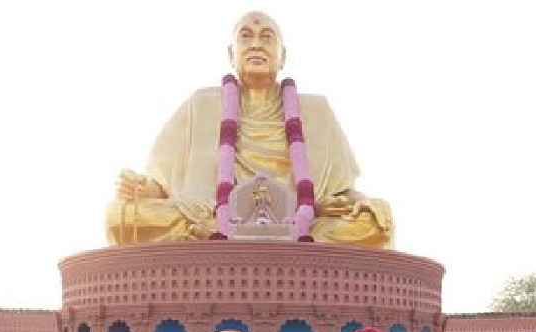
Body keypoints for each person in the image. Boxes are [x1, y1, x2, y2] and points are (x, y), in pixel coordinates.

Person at [107, 12, 392, 248]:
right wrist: (147, 189)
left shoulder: (316, 110)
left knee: (375, 223)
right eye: (246, 37)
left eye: (267, 38)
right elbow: (163, 186)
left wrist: (365, 204)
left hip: (301, 221)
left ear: (282, 56)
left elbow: (342, 192)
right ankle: (241, 237)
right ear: (232, 54)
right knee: (119, 216)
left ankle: (272, 238)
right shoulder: (201, 104)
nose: (256, 44)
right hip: (207, 217)